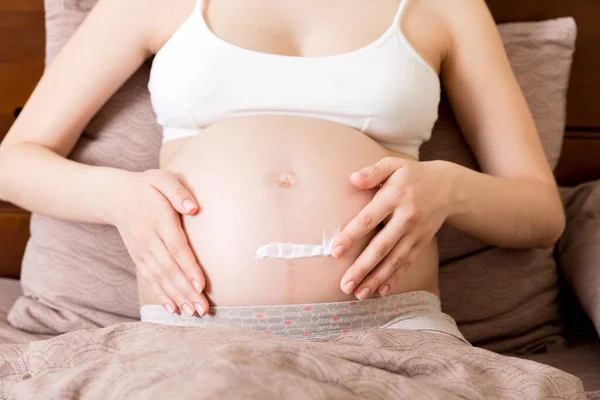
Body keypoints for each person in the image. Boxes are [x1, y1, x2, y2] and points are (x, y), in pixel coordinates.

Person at [0, 0, 565, 341]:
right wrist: (114, 196)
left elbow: (541, 213)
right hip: (194, 338)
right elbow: (12, 161)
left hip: (393, 334)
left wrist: (450, 188)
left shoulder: (445, 6)